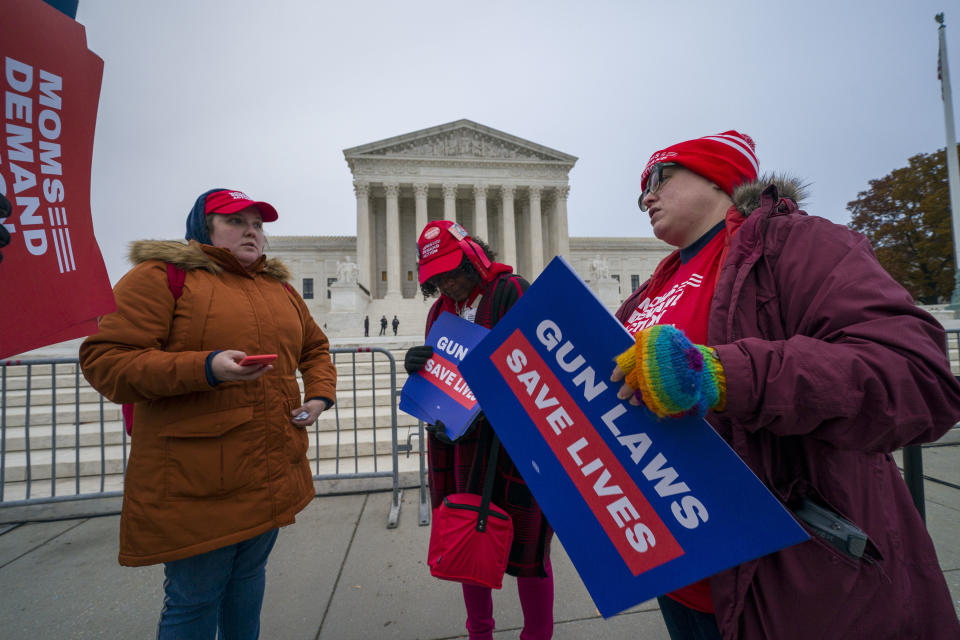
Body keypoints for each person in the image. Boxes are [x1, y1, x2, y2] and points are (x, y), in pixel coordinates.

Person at [609, 131, 960, 639]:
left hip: (789, 568)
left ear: (719, 175)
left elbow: (918, 376)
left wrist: (720, 374)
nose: (646, 195)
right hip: (679, 570)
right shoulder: (649, 290)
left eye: (659, 177)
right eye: (640, 188)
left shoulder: (796, 243)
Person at [79, 188, 337, 639]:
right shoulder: (159, 277)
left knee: (247, 588)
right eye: (236, 221)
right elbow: (106, 361)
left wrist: (318, 396)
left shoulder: (278, 289)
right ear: (204, 227)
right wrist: (205, 367)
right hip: (194, 478)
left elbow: (315, 348)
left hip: (269, 470)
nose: (251, 232)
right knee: (193, 600)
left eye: (257, 224)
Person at [404, 220, 554, 640]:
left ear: (474, 256)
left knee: (530, 550)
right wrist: (420, 366)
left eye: (453, 270)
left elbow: (537, 368)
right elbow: (441, 378)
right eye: (437, 277)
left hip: (513, 446)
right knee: (465, 537)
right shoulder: (440, 311)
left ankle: (538, 635)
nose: (447, 282)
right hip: (457, 444)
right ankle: (479, 633)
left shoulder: (511, 291)